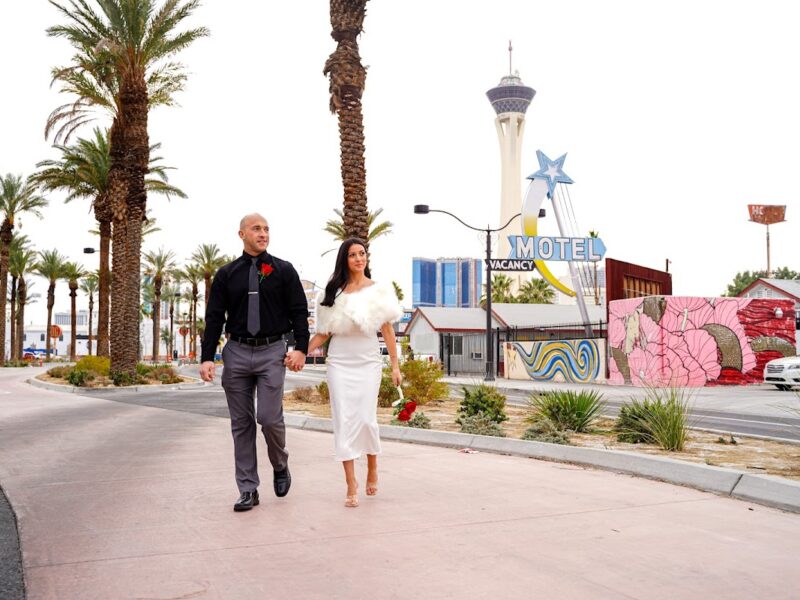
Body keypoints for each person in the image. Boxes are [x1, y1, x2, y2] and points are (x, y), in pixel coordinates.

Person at [200, 213, 309, 512]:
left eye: (266, 229)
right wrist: (207, 357)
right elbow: (213, 318)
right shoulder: (226, 274)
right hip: (235, 350)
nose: (263, 234)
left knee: (269, 418)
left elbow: (300, 311)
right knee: (241, 424)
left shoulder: (283, 270)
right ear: (241, 234)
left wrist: (300, 348)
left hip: (272, 351)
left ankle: (280, 463)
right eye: (256, 229)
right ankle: (248, 489)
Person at [307, 238, 403, 507]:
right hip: (339, 362)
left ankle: (372, 466)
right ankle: (351, 483)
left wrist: (395, 366)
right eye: (353, 255)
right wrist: (300, 352)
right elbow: (323, 333)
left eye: (362, 254)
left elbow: (387, 330)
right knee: (344, 421)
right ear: (344, 259)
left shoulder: (379, 291)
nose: (359, 259)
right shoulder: (333, 293)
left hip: (368, 362)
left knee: (365, 419)